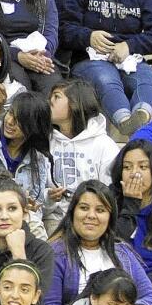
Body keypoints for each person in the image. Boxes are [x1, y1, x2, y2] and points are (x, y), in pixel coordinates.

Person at [60, 0, 152, 135]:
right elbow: (64, 29)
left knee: (148, 77)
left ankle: (141, 117)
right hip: (89, 62)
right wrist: (88, 36)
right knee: (106, 77)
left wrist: (129, 46)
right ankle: (125, 122)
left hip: (129, 60)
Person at [45, 180, 152, 305]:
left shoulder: (121, 252)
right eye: (84, 208)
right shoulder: (55, 253)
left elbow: (151, 296)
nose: (91, 215)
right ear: (72, 212)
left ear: (110, 217)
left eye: (100, 210)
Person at [0, 88, 53, 238]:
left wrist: (31, 206)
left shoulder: (38, 157)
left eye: (19, 121)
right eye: (10, 113)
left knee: (35, 226)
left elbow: (38, 204)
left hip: (18, 216)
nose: (10, 122)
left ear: (34, 126)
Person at [49, 78, 119, 217]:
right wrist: (48, 198)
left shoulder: (104, 145)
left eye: (56, 96)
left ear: (75, 103)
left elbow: (112, 195)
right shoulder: (45, 140)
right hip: (53, 217)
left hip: (91, 219)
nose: (49, 101)